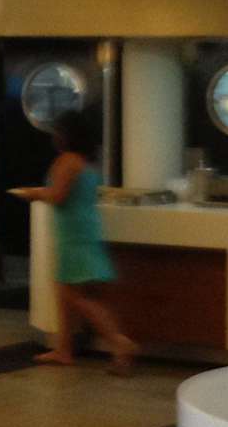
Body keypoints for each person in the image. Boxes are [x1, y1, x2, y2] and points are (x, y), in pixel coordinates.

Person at [15, 111, 137, 374]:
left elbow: (57, 196)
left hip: (73, 234)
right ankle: (64, 349)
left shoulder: (67, 161)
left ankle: (119, 342)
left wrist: (33, 193)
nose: (55, 136)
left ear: (67, 135)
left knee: (76, 296)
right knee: (68, 293)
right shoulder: (88, 163)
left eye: (58, 131)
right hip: (85, 229)